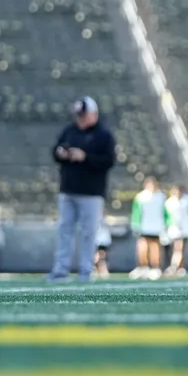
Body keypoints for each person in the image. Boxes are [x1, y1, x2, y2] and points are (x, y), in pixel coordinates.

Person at [48, 96, 116, 283]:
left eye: (83, 115)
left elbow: (108, 161)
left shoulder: (103, 135)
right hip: (68, 189)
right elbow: (55, 150)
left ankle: (86, 270)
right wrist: (61, 153)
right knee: (64, 230)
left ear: (94, 114)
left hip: (91, 192)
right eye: (78, 116)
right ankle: (61, 269)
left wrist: (85, 157)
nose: (80, 119)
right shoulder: (69, 131)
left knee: (88, 233)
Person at [129, 177, 166, 280]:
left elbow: (165, 212)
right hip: (144, 227)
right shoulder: (140, 197)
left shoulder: (161, 197)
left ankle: (155, 267)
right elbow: (136, 212)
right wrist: (135, 224)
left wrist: (166, 225)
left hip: (157, 226)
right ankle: (143, 267)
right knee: (142, 247)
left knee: (155, 248)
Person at [163, 185, 188, 277]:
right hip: (174, 229)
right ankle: (174, 266)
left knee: (180, 249)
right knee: (178, 248)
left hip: (186, 229)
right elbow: (166, 216)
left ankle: (180, 267)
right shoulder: (169, 202)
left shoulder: (187, 201)